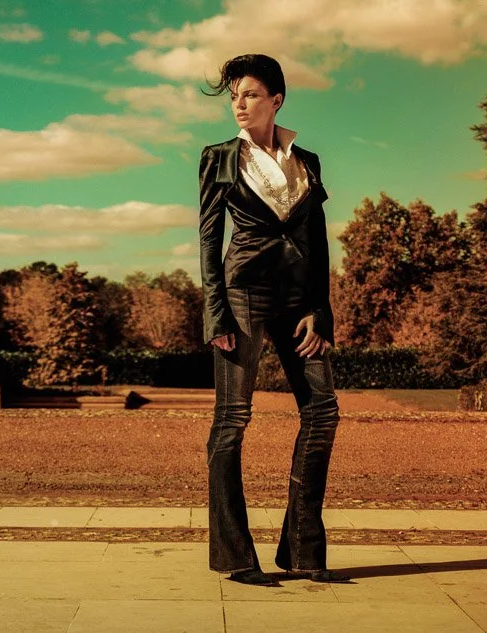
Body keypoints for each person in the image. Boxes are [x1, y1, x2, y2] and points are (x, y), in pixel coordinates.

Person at [198, 53, 347, 585]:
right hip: (243, 294)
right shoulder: (218, 157)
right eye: (234, 95)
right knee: (233, 418)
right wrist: (216, 311)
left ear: (276, 99)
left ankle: (305, 552)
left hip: (298, 301)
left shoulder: (307, 160)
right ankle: (236, 556)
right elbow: (209, 238)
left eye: (250, 94)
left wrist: (320, 310)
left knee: (323, 412)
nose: (239, 104)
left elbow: (317, 240)